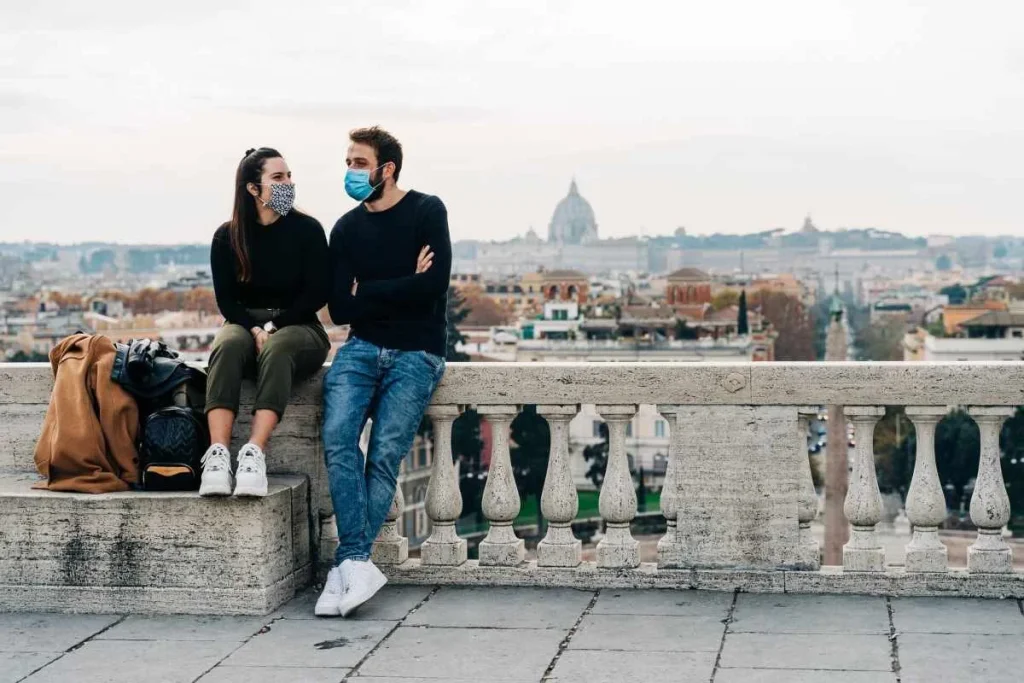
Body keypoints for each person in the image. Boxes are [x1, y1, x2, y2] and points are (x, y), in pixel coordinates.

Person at [316, 127, 451, 617]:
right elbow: (339, 307)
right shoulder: (346, 228)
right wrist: (403, 284)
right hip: (362, 346)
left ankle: (347, 563)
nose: (350, 171)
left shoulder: (427, 210)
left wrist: (370, 290)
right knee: (337, 436)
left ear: (386, 168)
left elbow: (435, 285)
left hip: (418, 352)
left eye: (358, 162)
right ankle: (355, 563)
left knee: (386, 455)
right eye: (348, 161)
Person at [202, 147, 331, 497]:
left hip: (300, 326)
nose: (288, 183)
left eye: (289, 176)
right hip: (244, 324)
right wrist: (255, 328)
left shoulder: (307, 230)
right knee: (226, 345)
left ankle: (254, 452)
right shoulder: (226, 237)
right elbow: (227, 301)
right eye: (278, 178)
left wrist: (273, 328)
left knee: (280, 346)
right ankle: (217, 456)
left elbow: (317, 293)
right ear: (253, 189)